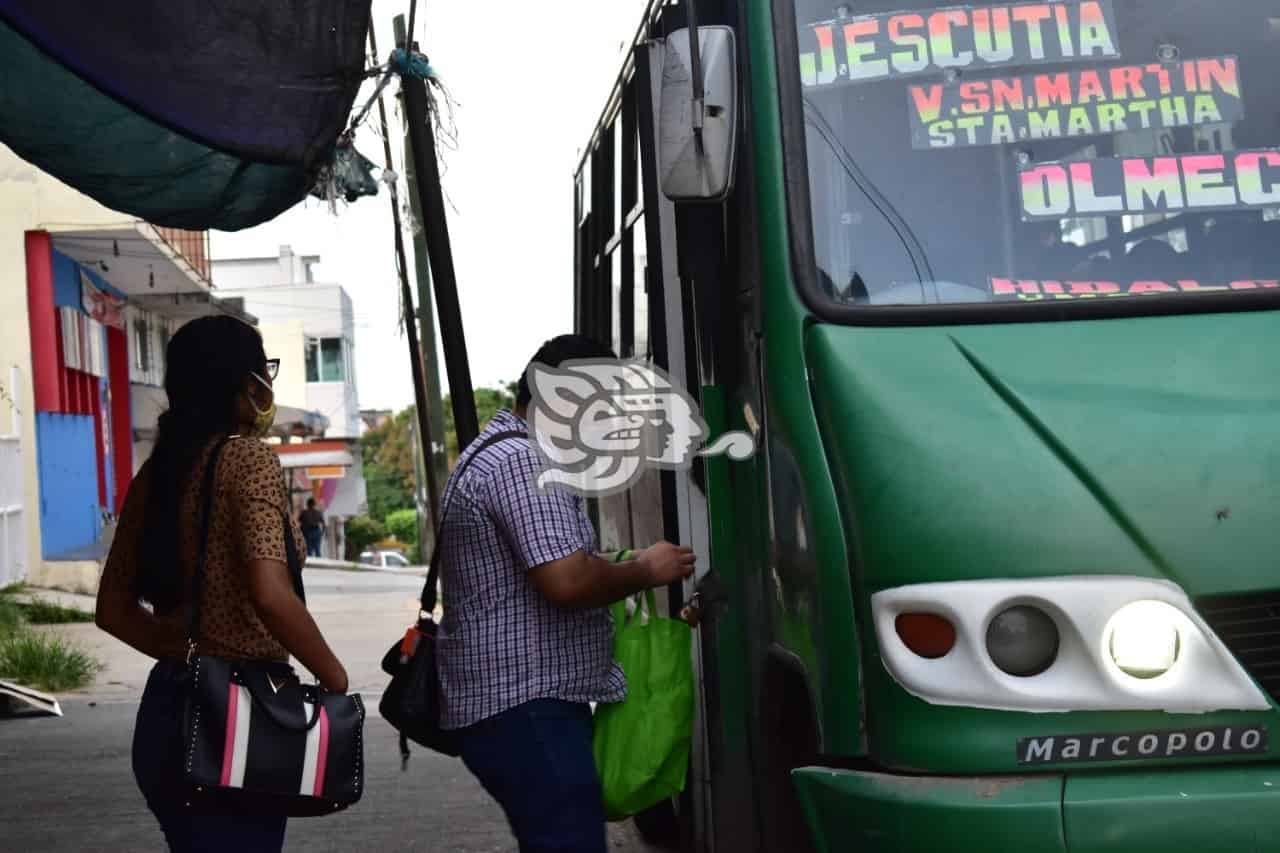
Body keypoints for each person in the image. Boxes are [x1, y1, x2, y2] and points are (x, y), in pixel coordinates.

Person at [95, 315, 349, 853]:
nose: (268, 388)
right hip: (237, 716)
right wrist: (334, 677)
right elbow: (270, 590)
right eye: (266, 373)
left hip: (166, 713)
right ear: (245, 385)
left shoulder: (157, 474)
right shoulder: (249, 459)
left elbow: (113, 611)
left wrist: (191, 651)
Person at [436, 334, 696, 853]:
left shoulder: (496, 453)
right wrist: (645, 569)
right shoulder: (524, 463)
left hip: (520, 705)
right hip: (528, 706)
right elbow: (567, 581)